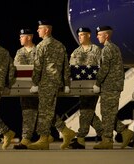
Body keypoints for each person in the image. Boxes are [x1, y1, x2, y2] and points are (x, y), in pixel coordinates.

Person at [27, 20, 75, 150]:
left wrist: (35, 82)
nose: (37, 31)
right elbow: (66, 67)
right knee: (48, 109)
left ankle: (43, 139)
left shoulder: (42, 46)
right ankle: (66, 131)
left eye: (40, 28)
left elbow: (38, 67)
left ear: (47, 30)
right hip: (56, 82)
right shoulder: (60, 45)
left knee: (44, 110)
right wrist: (66, 83)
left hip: (46, 82)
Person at [67, 27, 103, 149]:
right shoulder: (76, 52)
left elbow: (102, 68)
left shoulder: (97, 50)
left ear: (89, 35)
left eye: (82, 34)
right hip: (81, 86)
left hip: (93, 86)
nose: (80, 37)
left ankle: (81, 138)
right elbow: (71, 68)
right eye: (79, 35)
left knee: (85, 111)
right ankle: (106, 134)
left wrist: (99, 84)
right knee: (87, 111)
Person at [93, 26, 125, 149]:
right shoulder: (114, 48)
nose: (97, 36)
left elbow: (104, 68)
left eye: (99, 34)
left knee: (107, 114)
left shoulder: (107, 49)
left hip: (110, 85)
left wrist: (97, 83)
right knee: (109, 113)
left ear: (106, 36)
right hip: (113, 85)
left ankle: (107, 140)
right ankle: (126, 132)